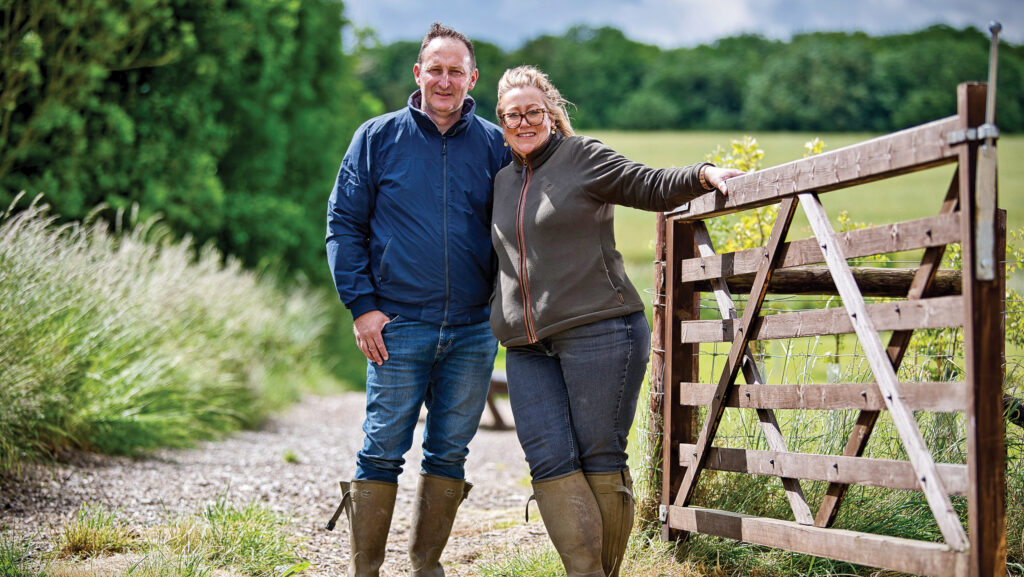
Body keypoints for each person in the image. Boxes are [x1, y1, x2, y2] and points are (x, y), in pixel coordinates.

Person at [490, 65, 742, 577]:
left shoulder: (581, 156)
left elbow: (647, 184)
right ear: (502, 120)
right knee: (548, 459)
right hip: (525, 346)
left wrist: (702, 174)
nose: (523, 122)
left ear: (552, 114)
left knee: (599, 454)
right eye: (512, 114)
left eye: (533, 111)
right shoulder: (502, 179)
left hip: (600, 330)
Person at [325, 23, 508, 577]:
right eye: (436, 69)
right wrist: (362, 308)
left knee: (449, 452)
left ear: (472, 77)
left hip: (475, 329)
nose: (446, 80)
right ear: (418, 73)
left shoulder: (497, 144)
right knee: (381, 450)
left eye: (456, 71)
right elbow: (343, 225)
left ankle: (426, 566)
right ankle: (366, 571)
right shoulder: (377, 137)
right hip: (397, 324)